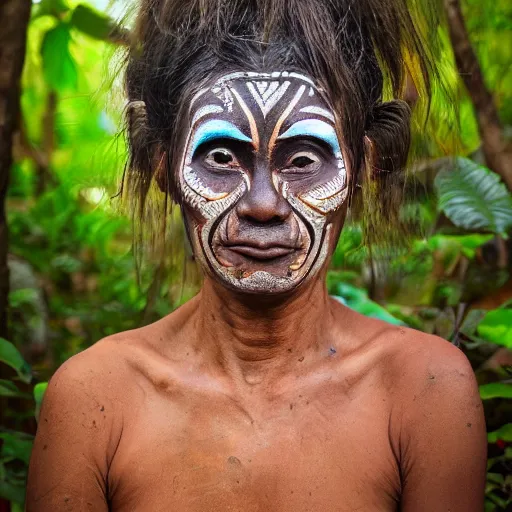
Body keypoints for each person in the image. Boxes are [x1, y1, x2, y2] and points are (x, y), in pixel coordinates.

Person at [26, 0, 487, 510]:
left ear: (364, 166)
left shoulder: (423, 391)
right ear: (163, 165)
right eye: (221, 157)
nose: (263, 205)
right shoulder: (96, 398)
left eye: (304, 160)